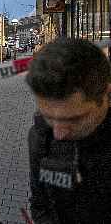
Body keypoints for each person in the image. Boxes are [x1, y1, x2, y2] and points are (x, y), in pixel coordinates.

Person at [26, 38, 111, 223]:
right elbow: (41, 204)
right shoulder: (41, 137)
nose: (58, 133)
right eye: (48, 116)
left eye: (73, 119)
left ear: (105, 94)